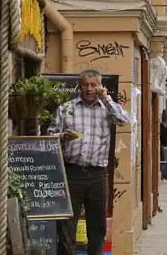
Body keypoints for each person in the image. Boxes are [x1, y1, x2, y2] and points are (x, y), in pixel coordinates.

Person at [48, 70, 131, 255]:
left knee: (97, 226)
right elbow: (50, 136)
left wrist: (107, 99)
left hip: (97, 175)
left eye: (93, 85)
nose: (89, 89)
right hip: (72, 173)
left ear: (100, 86)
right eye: (85, 85)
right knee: (67, 225)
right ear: (79, 86)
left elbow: (124, 120)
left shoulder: (106, 108)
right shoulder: (66, 109)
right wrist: (63, 136)